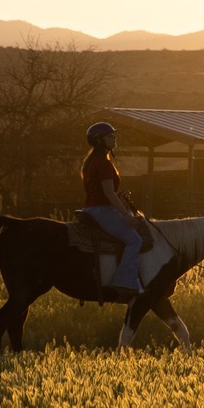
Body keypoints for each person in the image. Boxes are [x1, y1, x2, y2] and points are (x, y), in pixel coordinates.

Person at [79, 121, 146, 301]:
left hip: (94, 208)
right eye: (110, 136)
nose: (114, 138)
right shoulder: (103, 163)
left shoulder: (92, 161)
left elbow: (104, 192)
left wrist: (120, 199)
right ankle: (124, 282)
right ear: (100, 141)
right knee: (135, 240)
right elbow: (109, 193)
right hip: (102, 211)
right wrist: (126, 216)